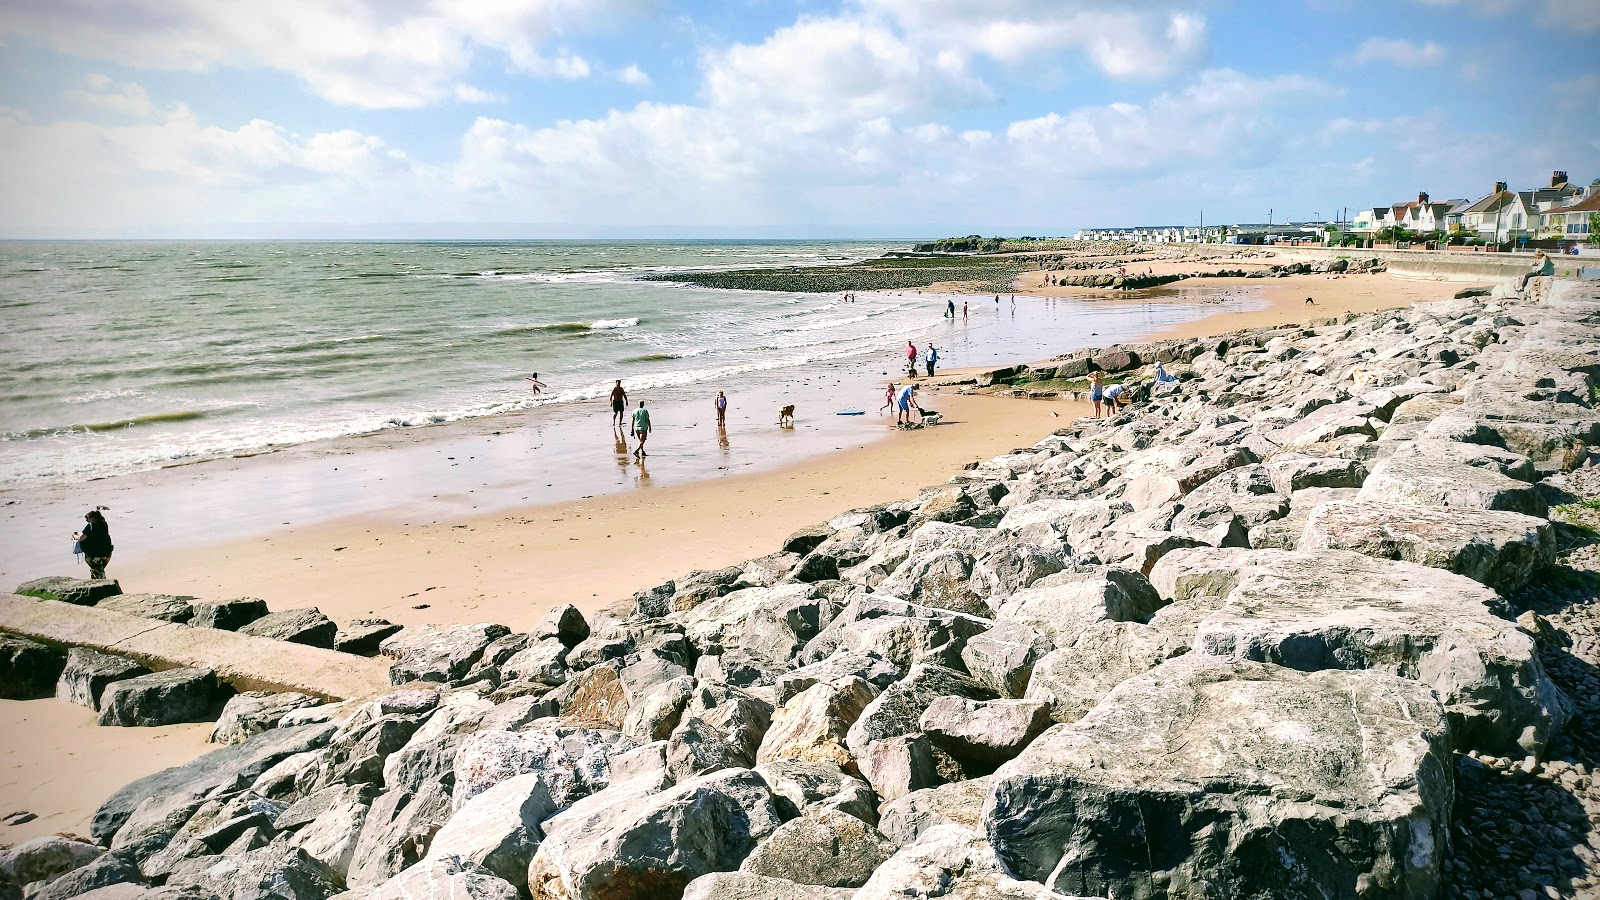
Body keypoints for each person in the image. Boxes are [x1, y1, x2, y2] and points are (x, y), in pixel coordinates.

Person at [75, 508, 113, 580]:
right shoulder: (104, 524)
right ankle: (100, 583)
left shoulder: (90, 526)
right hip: (106, 552)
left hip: (94, 553)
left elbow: (82, 538)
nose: (87, 521)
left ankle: (101, 586)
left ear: (92, 519)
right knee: (99, 570)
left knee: (97, 571)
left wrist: (75, 536)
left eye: (87, 519)